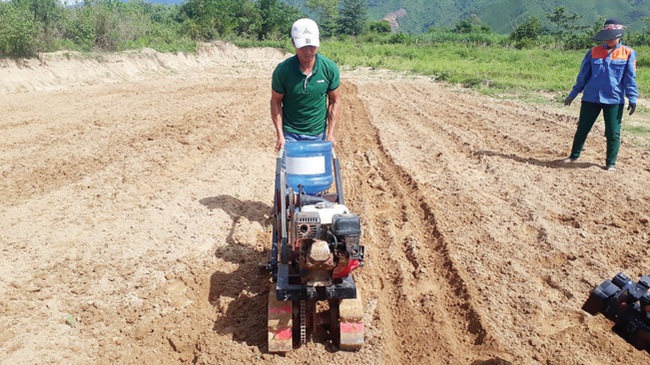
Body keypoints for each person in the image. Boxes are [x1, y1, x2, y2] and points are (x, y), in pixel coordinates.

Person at [562, 18, 638, 172]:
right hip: (591, 97)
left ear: (619, 36)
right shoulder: (593, 52)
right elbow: (583, 75)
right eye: (607, 36)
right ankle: (573, 156)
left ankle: (611, 163)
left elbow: (630, 78)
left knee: (613, 132)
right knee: (582, 128)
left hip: (614, 99)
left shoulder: (628, 53)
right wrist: (573, 93)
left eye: (612, 36)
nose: (609, 39)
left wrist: (632, 97)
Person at [270, 18, 341, 151]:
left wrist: (330, 133)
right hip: (290, 134)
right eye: (303, 46)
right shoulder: (283, 71)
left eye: (312, 46)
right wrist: (280, 135)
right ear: (293, 42)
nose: (308, 51)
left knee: (317, 171)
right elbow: (276, 101)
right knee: (290, 171)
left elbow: (334, 101)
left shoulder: (329, 68)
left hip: (318, 134)